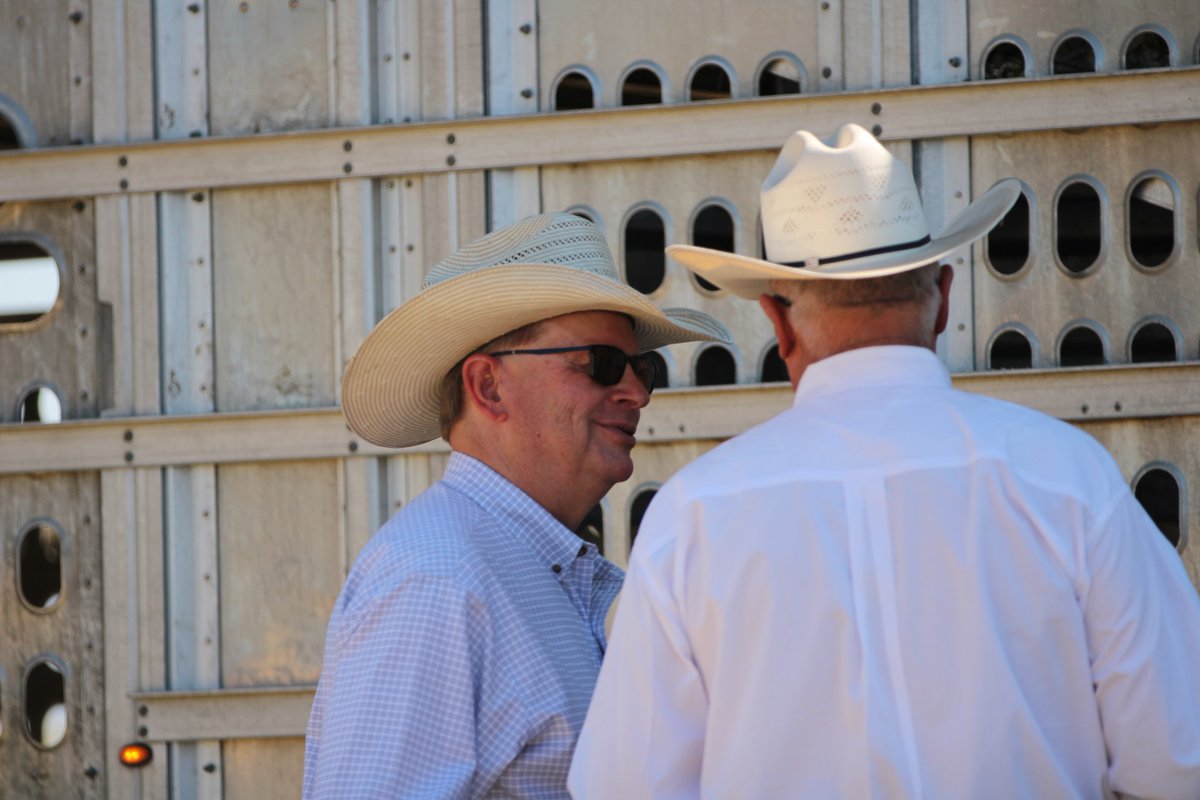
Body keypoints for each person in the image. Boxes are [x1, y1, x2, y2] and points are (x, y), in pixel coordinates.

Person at [568, 123, 1200, 798]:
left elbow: (626, 786)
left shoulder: (692, 516)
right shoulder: (1069, 479)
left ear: (778, 324)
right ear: (944, 299)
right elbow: (1175, 760)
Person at [302, 212, 730, 799]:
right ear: (488, 388)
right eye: (602, 365)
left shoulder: (501, 568)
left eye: (643, 369)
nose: (634, 392)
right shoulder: (436, 584)